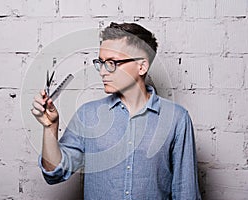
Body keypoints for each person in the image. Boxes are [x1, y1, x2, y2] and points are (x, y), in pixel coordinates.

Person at [31, 22, 201, 199]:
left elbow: (186, 192)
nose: (103, 72)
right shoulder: (87, 115)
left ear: (141, 66)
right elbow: (54, 173)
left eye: (112, 63)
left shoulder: (176, 119)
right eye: (101, 62)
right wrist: (50, 128)